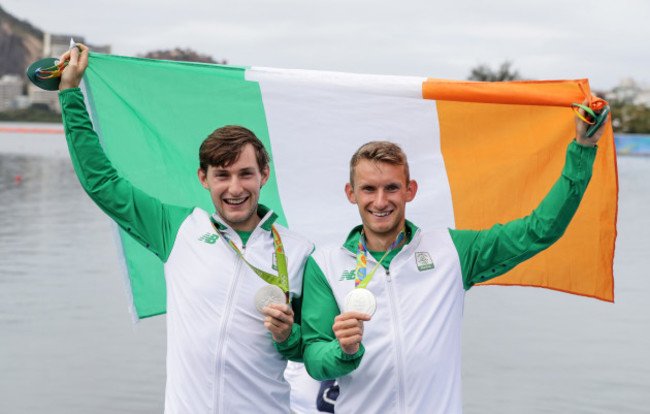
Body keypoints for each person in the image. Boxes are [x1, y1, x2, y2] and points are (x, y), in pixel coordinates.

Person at [301, 105, 609, 413]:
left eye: (391, 188)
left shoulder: (451, 251)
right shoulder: (326, 264)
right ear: (351, 193)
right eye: (368, 189)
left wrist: (583, 148)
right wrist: (343, 350)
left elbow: (540, 229)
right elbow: (314, 359)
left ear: (410, 190)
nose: (380, 201)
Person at [57, 44, 313, 413]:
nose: (235, 188)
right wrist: (70, 94)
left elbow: (314, 350)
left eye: (246, 174)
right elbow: (102, 182)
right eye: (222, 175)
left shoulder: (300, 251)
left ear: (264, 175)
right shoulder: (177, 228)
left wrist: (290, 335)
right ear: (203, 178)